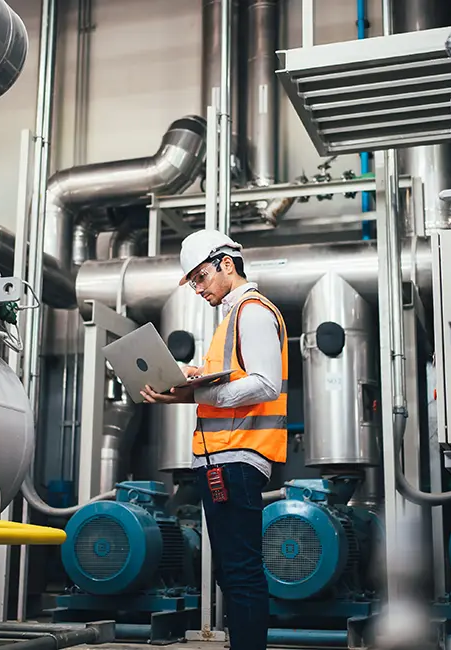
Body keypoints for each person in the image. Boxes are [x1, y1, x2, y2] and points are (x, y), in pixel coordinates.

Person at [140, 229, 288, 650]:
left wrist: (194, 392)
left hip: (238, 458)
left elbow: (264, 384)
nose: (198, 289)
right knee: (232, 570)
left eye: (200, 278)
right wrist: (188, 382)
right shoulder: (233, 317)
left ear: (226, 263)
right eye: (193, 283)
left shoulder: (252, 311)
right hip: (223, 459)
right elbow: (231, 382)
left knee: (240, 572)